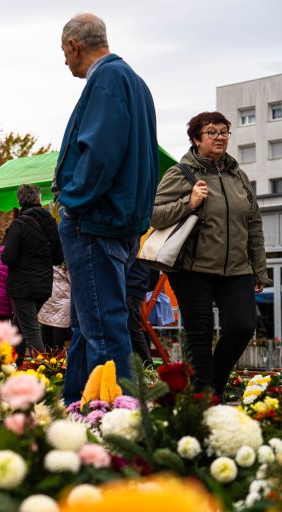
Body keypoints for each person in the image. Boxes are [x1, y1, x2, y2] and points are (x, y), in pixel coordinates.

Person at [53, 13, 158, 403]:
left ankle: (111, 416)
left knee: (101, 327)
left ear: (74, 46)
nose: (65, 61)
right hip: (117, 221)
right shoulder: (132, 81)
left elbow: (100, 152)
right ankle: (78, 404)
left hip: (97, 222)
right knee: (88, 323)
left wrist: (72, 202)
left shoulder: (108, 79)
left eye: (64, 53)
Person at [151, 111, 269, 397]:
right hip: (193, 270)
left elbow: (253, 223)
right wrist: (189, 203)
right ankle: (205, 398)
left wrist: (259, 268)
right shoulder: (181, 174)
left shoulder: (238, 176)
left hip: (237, 269)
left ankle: (210, 387)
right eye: (212, 132)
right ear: (196, 139)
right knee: (199, 335)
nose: (220, 137)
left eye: (224, 131)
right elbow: (154, 216)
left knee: (242, 326)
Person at [1, 185, 63, 359]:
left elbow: (8, 257)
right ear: (38, 199)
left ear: (20, 200)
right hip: (43, 286)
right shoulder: (51, 223)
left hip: (22, 286)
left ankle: (44, 369)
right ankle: (14, 363)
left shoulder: (19, 224)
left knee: (31, 331)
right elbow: (58, 257)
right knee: (18, 328)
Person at [125, 260, 154, 366]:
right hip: (135, 282)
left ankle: (147, 366)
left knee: (132, 326)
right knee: (132, 326)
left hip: (132, 282)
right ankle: (146, 366)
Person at [38, 265, 72, 352]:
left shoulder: (46, 258)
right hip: (63, 303)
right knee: (59, 337)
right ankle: (58, 363)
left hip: (47, 298)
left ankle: (45, 363)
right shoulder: (67, 262)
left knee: (46, 334)